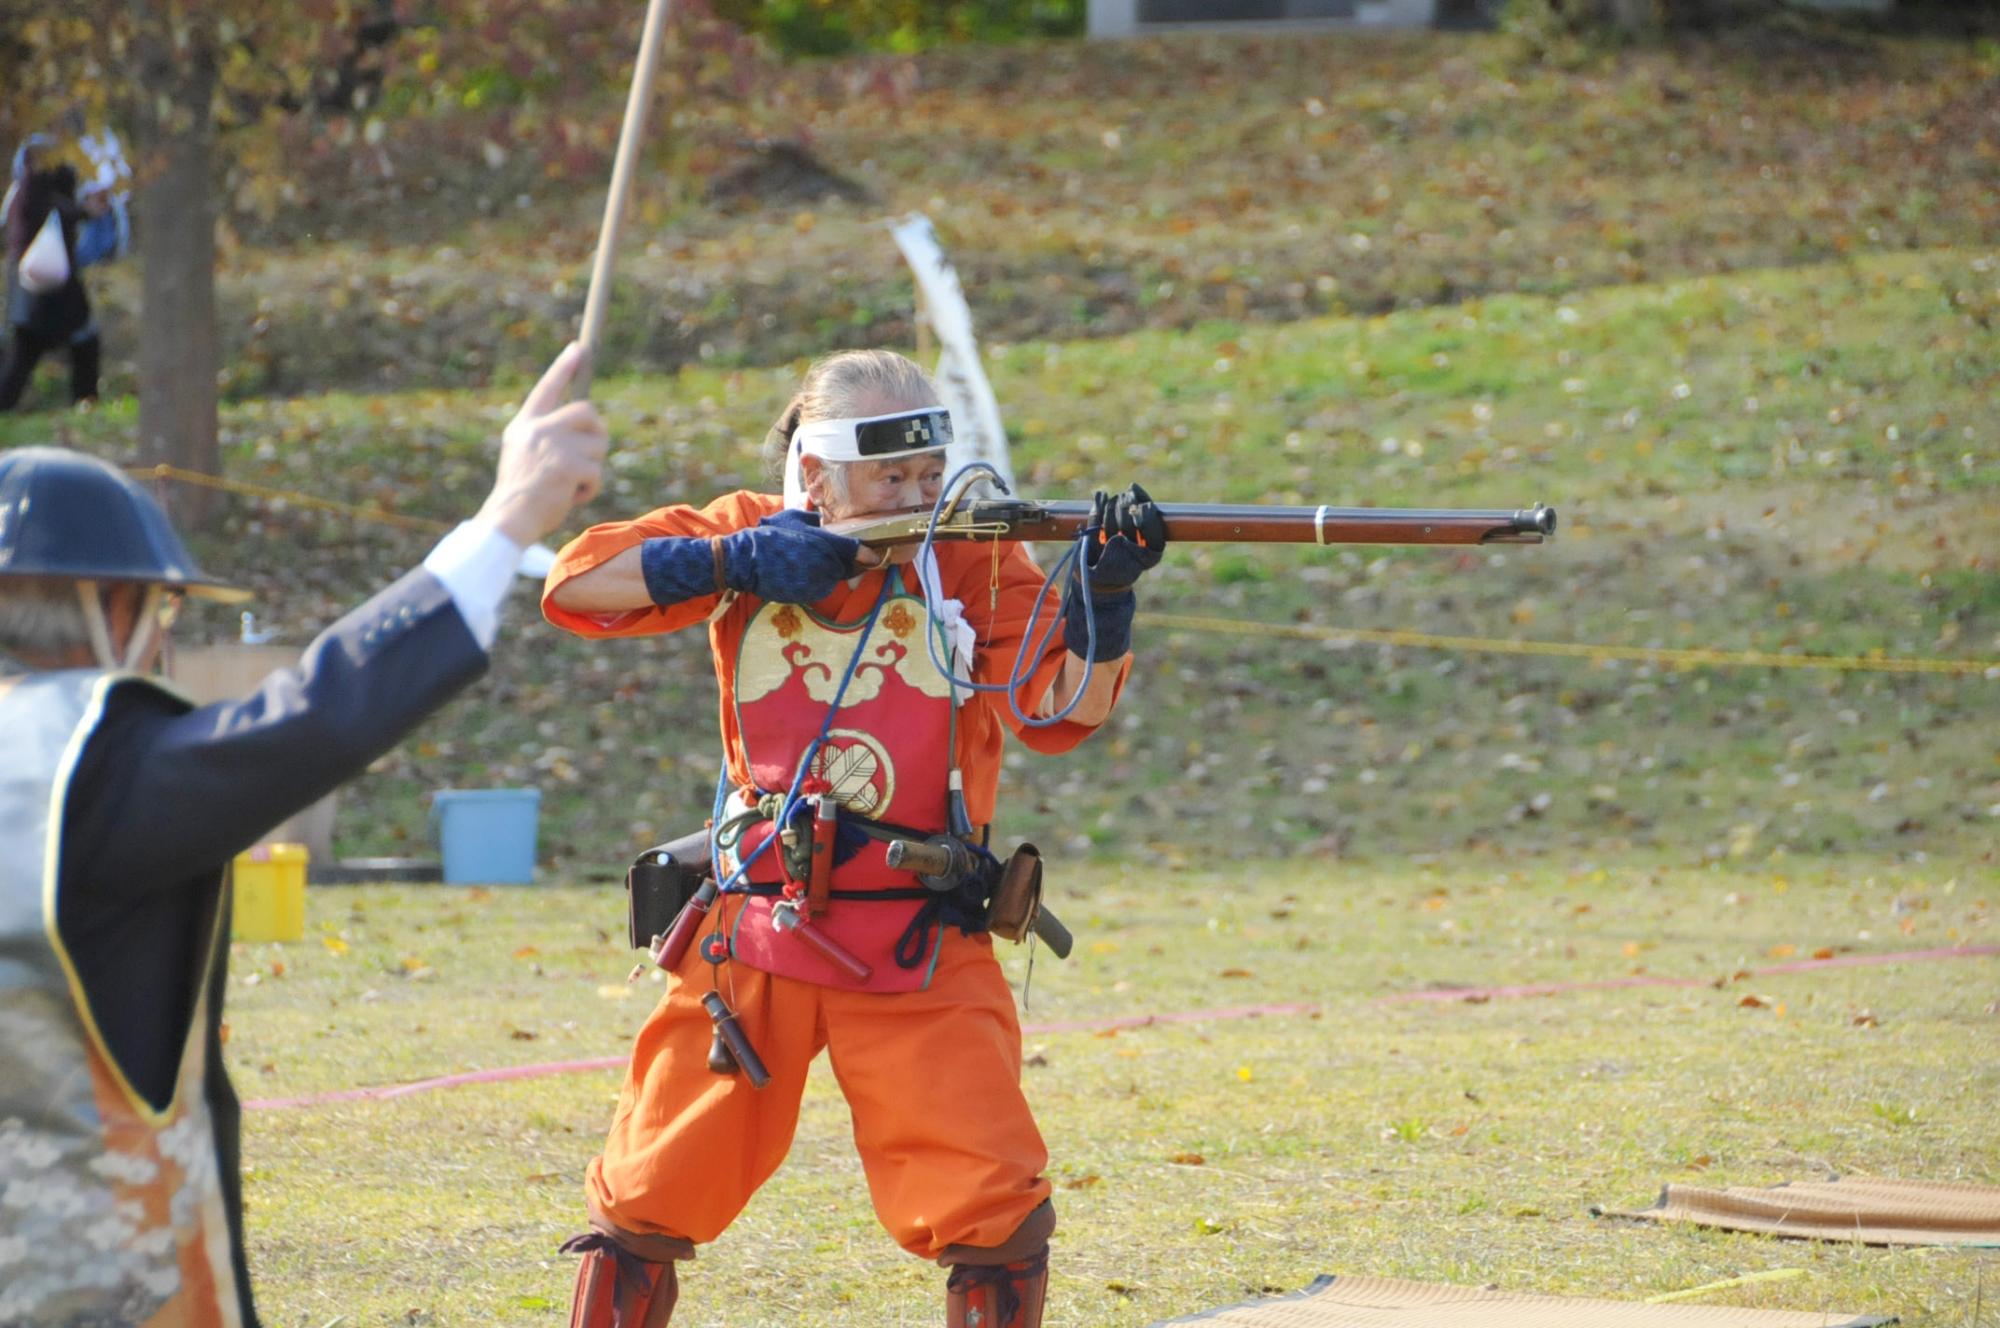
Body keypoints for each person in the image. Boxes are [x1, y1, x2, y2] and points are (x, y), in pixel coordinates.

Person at [541, 348, 1168, 1328]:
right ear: (816, 472)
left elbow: (1056, 713)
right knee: (647, 1190)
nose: (916, 493)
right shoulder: (745, 532)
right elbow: (575, 583)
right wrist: (729, 559)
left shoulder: (972, 555)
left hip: (922, 933)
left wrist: (1102, 603)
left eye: (928, 472)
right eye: (890, 477)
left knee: (993, 1205)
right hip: (754, 930)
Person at [0, 344, 606, 1324]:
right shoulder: (91, 770)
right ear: (109, 606)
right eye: (160, 612)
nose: (161, 641)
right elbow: (318, 713)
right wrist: (508, 518)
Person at [2, 137, 101, 410]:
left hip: (38, 289)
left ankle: (85, 399)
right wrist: (84, 211)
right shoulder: (35, 189)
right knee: (75, 341)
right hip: (47, 288)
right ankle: (85, 400)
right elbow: (53, 210)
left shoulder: (24, 190)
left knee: (30, 351)